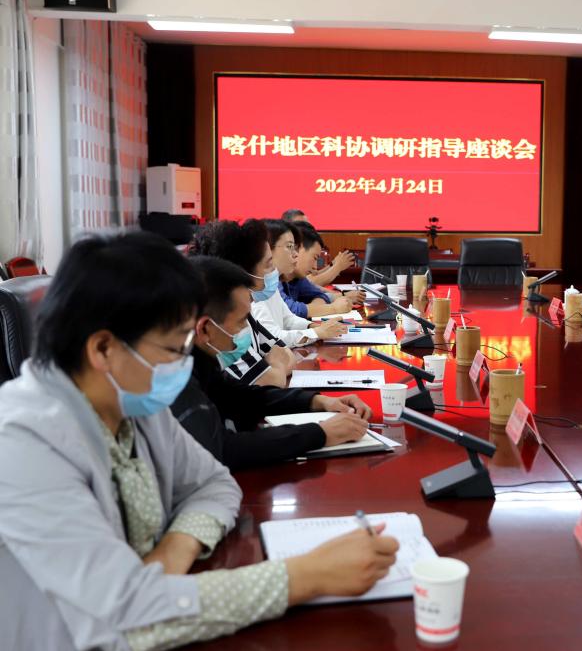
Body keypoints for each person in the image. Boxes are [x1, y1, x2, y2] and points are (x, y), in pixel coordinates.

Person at [0, 232, 398, 651]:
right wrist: (306, 576)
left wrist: (173, 552)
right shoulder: (22, 444)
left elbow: (214, 483)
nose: (184, 362)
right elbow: (126, 611)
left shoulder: (131, 401)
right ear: (103, 348)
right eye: (175, 347)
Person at [174, 256, 372, 470]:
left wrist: (318, 402)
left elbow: (239, 397)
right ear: (204, 329)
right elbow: (224, 449)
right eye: (241, 322)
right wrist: (321, 433)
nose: (246, 331)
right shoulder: (173, 377)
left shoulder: (198, 358)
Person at [189, 220, 296, 387]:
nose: (274, 270)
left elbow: (286, 354)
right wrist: (275, 365)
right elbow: (271, 381)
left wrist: (274, 367)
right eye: (268, 264)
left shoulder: (246, 316)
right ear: (241, 272)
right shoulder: (225, 324)